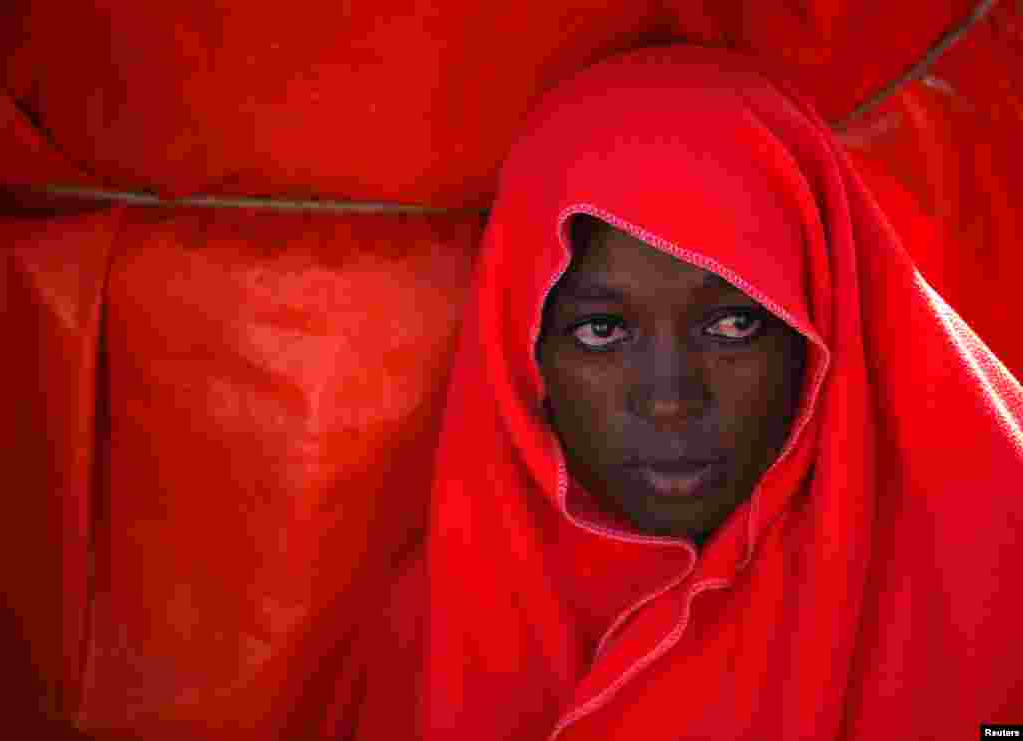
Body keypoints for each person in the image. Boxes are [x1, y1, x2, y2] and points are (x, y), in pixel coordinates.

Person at [333, 44, 1023, 740]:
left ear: (827, 324)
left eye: (733, 323)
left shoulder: (1001, 570)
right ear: (519, 356)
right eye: (601, 331)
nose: (670, 396)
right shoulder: (428, 639)